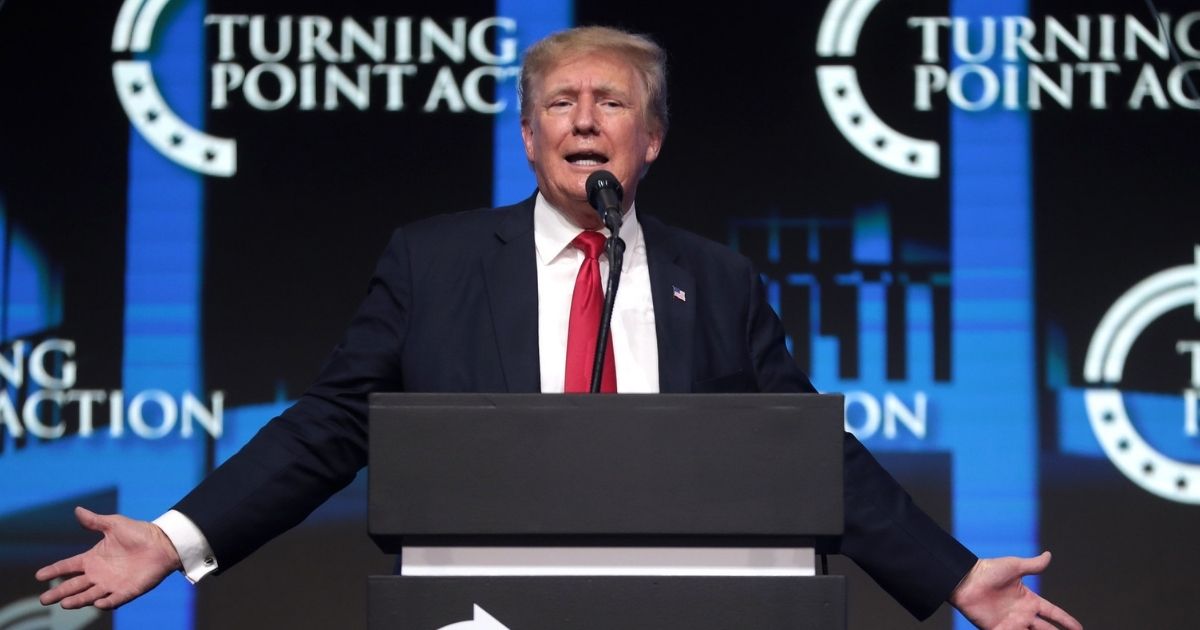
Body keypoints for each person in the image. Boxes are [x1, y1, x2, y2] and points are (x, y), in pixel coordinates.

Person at [37, 26, 1081, 629]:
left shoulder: (715, 281)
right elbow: (328, 428)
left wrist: (951, 576)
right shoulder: (435, 261)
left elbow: (803, 455)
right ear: (530, 138)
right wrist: (173, 541)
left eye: (613, 103)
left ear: (652, 139)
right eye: (563, 103)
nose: (585, 119)